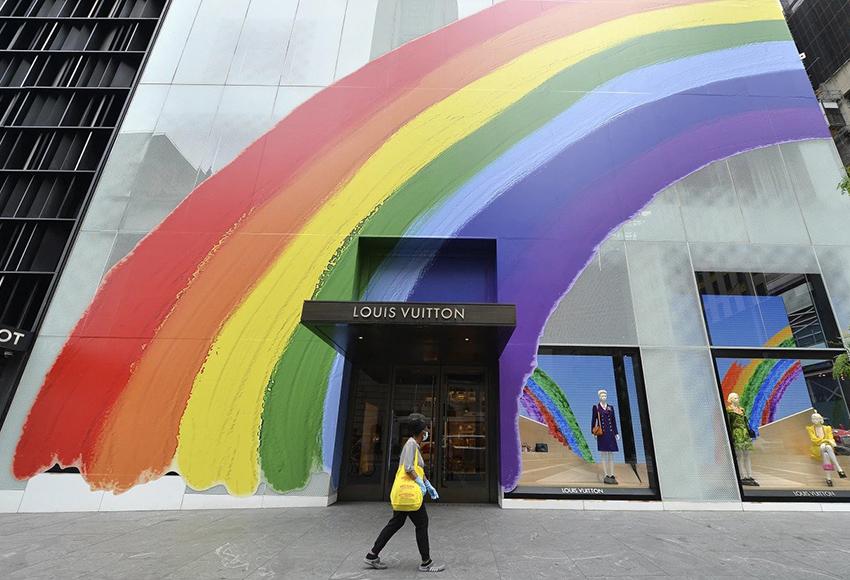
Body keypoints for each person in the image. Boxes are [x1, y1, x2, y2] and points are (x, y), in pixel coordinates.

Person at [365, 413, 445, 573]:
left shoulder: (413, 445)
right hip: (410, 494)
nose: (428, 431)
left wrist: (428, 484)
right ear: (421, 431)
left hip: (406, 494)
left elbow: (417, 468)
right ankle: (426, 562)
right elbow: (409, 468)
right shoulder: (411, 445)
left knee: (396, 523)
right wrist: (421, 484)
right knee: (422, 524)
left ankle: (372, 555)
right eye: (426, 428)